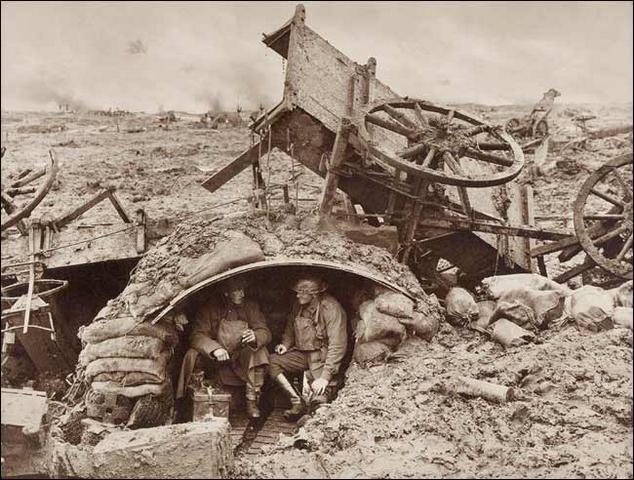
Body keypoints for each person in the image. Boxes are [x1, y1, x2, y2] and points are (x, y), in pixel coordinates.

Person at [176, 277, 271, 418]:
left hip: (241, 363)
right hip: (217, 364)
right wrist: (214, 349)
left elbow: (265, 331)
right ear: (226, 293)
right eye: (238, 291)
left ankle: (252, 400)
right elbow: (197, 335)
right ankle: (196, 398)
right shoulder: (209, 308)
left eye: (243, 290)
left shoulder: (250, 307)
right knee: (192, 354)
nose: (242, 294)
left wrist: (255, 336)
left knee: (260, 351)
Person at [269, 275, 348, 420]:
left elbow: (338, 345)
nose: (298, 295)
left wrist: (325, 377)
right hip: (301, 353)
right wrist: (285, 344)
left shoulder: (331, 309)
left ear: (314, 294)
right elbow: (290, 327)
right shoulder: (298, 304)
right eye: (298, 292)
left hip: (321, 358)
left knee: (320, 399)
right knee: (273, 361)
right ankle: (297, 402)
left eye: (302, 292)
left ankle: (312, 416)